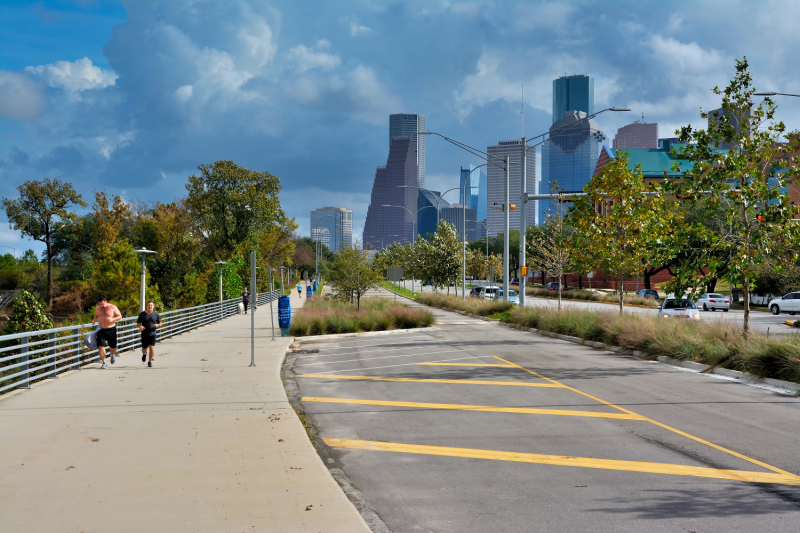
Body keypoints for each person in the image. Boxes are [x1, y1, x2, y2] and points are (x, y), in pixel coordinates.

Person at [91, 295, 122, 369]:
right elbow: (96, 316)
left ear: (106, 302)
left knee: (113, 347)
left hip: (111, 329)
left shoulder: (112, 307)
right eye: (100, 304)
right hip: (101, 329)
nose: (101, 306)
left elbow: (119, 316)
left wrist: (113, 319)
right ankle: (104, 362)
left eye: (103, 304)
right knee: (101, 346)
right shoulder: (97, 309)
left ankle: (112, 355)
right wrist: (94, 320)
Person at [137, 300, 162, 368]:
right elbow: (138, 322)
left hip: (152, 333)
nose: (150, 306)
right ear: (147, 306)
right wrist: (140, 326)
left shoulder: (156, 314)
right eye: (148, 305)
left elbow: (160, 323)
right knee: (144, 349)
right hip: (144, 333)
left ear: (153, 306)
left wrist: (158, 325)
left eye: (151, 305)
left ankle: (150, 362)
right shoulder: (142, 314)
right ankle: (144, 354)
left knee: (151, 348)